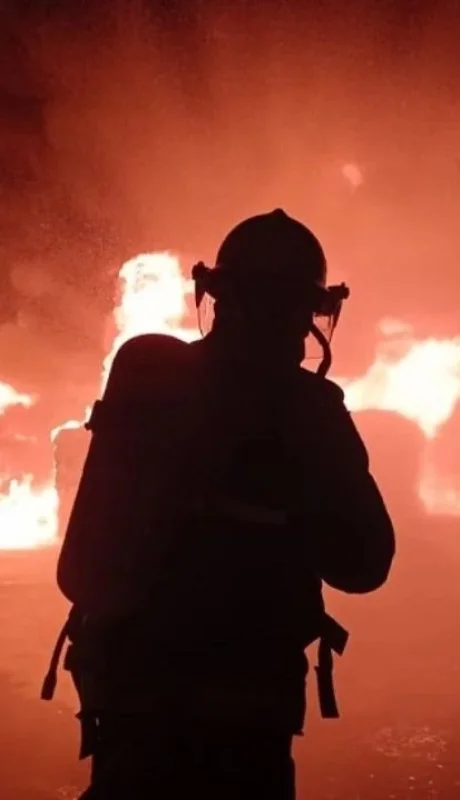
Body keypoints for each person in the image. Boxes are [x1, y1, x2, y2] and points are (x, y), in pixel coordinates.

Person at [43, 209, 395, 799]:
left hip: (133, 711)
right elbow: (365, 565)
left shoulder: (146, 374)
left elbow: (83, 572)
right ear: (313, 313)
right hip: (248, 724)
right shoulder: (311, 411)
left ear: (215, 295)